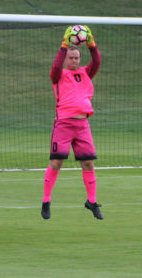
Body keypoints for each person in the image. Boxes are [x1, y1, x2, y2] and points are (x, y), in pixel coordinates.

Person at [41, 26, 103, 220]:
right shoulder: (58, 74)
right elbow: (56, 65)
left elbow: (97, 61)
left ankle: (91, 202)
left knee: (88, 163)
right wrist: (64, 46)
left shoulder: (86, 72)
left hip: (83, 125)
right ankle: (46, 200)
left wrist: (92, 45)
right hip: (64, 124)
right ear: (66, 59)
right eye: (71, 58)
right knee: (57, 162)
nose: (74, 61)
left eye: (77, 58)